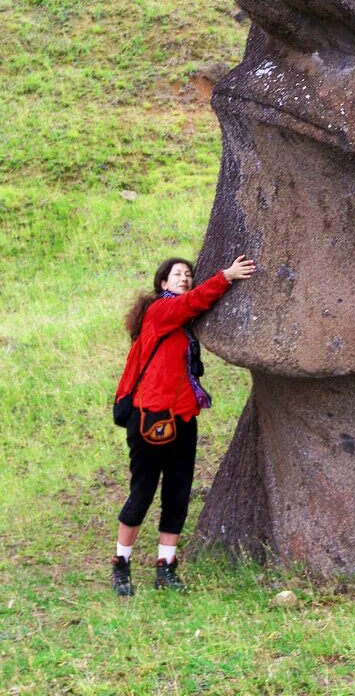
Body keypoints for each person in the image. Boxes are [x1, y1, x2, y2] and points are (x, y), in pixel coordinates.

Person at [111, 253, 255, 595]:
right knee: (142, 493)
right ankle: (121, 564)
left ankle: (167, 567)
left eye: (189, 274)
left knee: (177, 495)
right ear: (163, 283)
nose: (185, 278)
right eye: (178, 274)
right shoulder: (161, 312)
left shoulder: (184, 322)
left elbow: (193, 306)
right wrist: (227, 275)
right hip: (151, 418)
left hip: (183, 418)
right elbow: (192, 302)